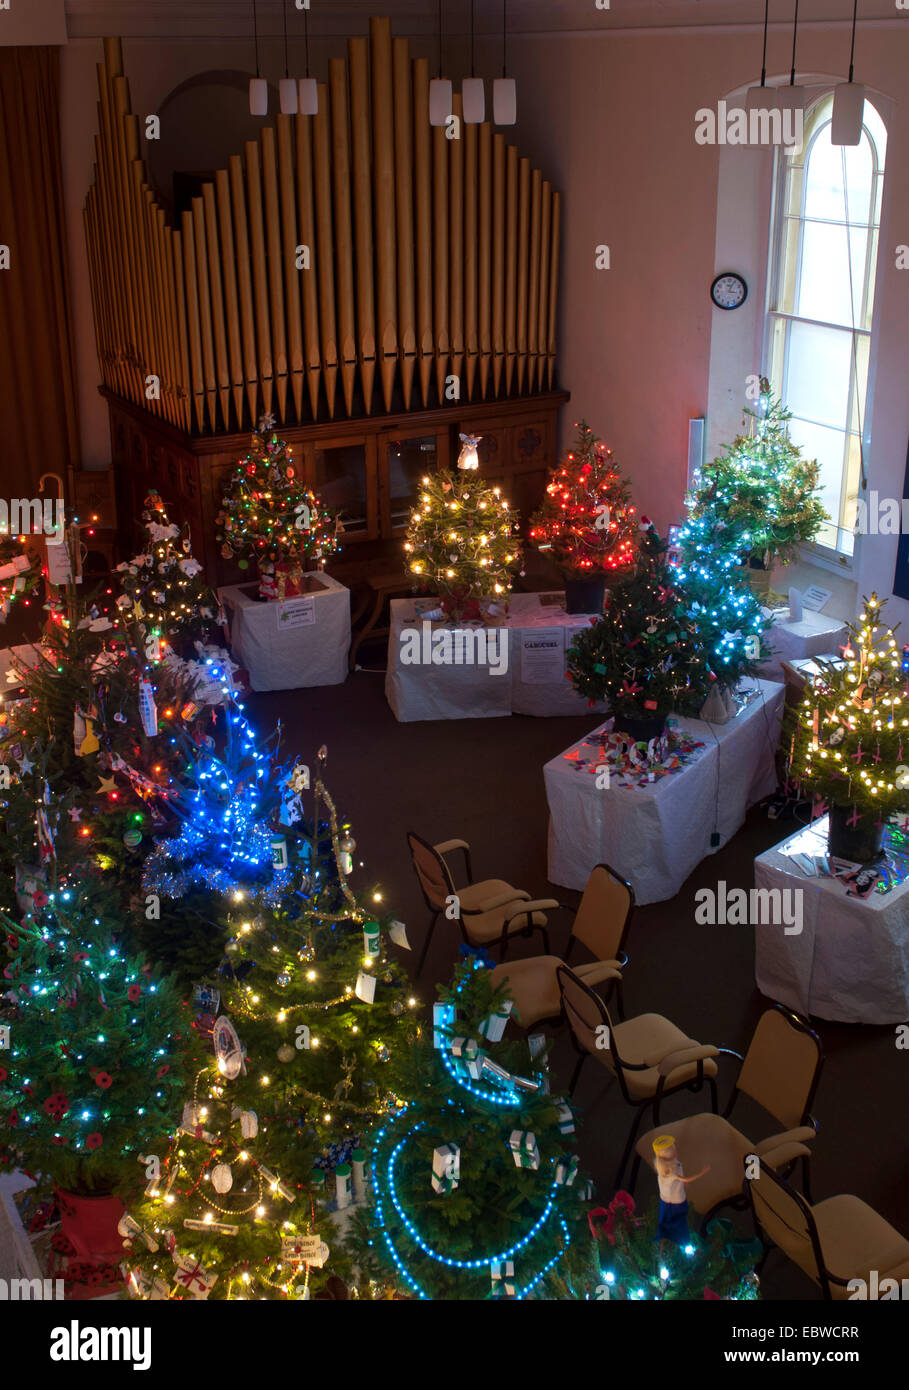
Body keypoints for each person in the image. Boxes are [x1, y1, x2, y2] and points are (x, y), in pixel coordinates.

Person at [652, 1134, 710, 1245]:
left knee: (671, 1221)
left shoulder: (673, 1164)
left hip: (672, 1200)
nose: (676, 1153)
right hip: (672, 1203)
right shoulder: (670, 1173)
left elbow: (681, 1179)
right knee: (675, 1222)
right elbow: (687, 1179)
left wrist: (682, 1185)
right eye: (674, 1152)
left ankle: (673, 1241)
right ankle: (678, 1243)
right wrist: (702, 1172)